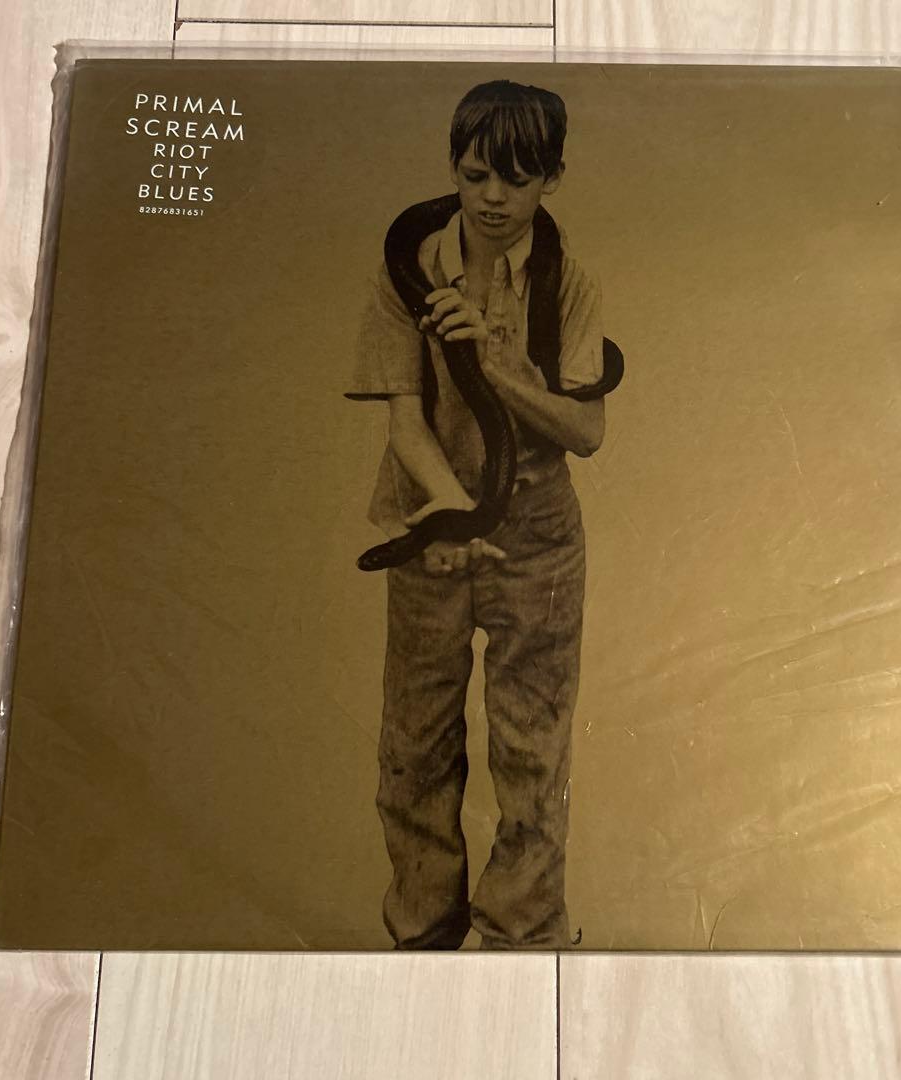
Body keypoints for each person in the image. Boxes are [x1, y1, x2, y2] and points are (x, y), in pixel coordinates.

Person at [348, 79, 607, 949]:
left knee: (532, 751)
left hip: (537, 543)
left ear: (552, 178)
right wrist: (452, 513)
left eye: (518, 179)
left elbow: (586, 430)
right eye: (474, 176)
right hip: (432, 524)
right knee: (414, 748)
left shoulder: (568, 284)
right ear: (452, 170)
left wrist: (494, 365)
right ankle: (423, 937)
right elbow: (405, 420)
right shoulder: (409, 270)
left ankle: (524, 942)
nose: (493, 197)